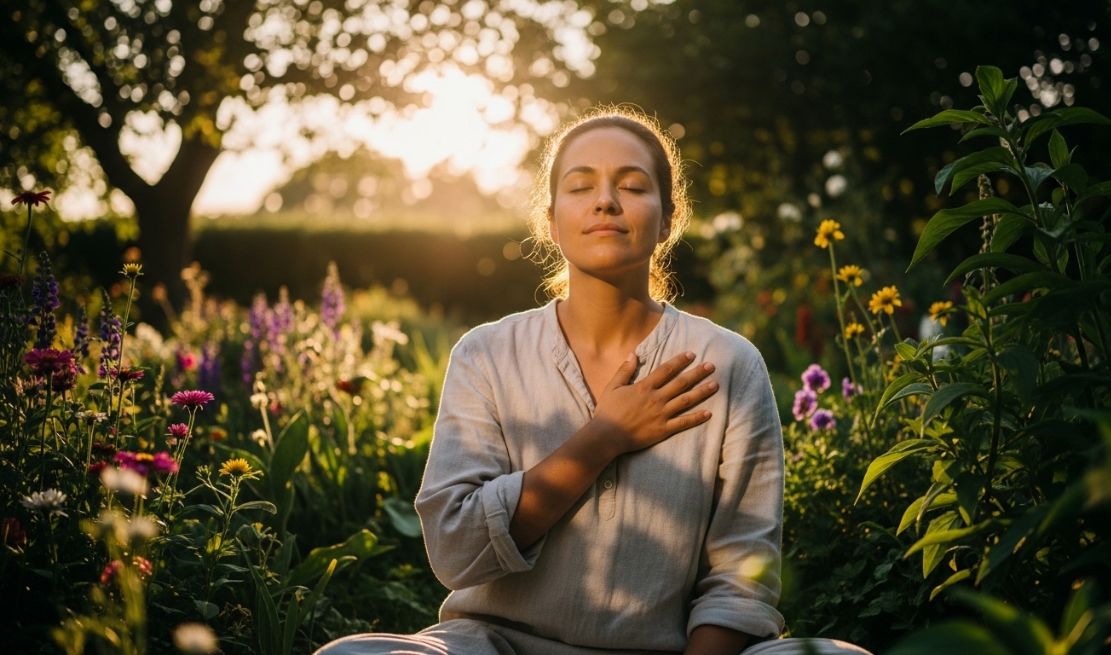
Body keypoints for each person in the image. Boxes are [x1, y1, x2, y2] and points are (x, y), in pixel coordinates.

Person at [315, 108, 870, 655]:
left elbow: (741, 577)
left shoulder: (726, 363)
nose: (606, 200)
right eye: (581, 187)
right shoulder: (485, 354)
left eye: (631, 185)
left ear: (669, 218)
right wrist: (602, 436)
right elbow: (456, 550)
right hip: (493, 646)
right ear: (551, 221)